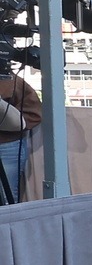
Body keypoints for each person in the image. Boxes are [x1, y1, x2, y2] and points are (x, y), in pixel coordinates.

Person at [0, 67, 42, 204]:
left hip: (6, 145)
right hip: (8, 144)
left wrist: (10, 123)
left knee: (5, 198)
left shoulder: (12, 81)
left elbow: (33, 114)